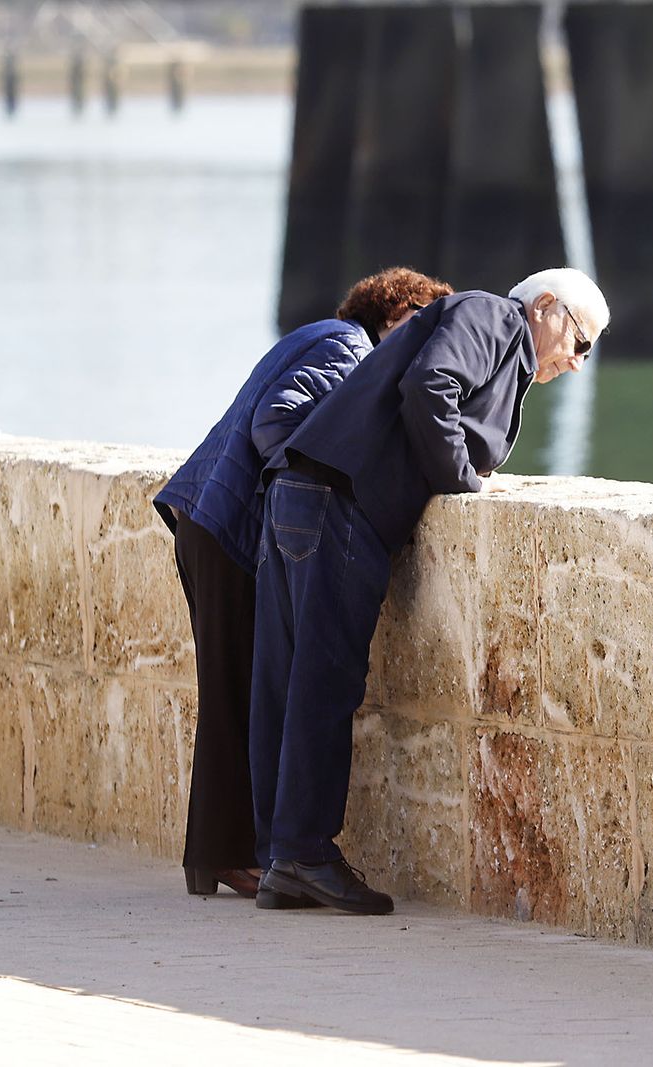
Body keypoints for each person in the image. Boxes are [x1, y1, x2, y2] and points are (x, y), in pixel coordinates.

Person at [248, 267, 609, 915]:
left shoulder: (493, 334)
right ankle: (302, 853)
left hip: (304, 490)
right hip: (342, 499)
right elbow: (430, 383)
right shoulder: (495, 318)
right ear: (546, 306)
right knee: (324, 682)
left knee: (289, 680)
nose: (577, 362)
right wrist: (464, 481)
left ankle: (280, 856)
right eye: (580, 342)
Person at [153, 267, 453, 899]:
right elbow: (276, 422)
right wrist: (316, 482)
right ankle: (223, 857)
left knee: (235, 690)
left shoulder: (331, 339)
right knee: (236, 694)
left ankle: (217, 859)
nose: (425, 344)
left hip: (211, 515)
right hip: (229, 522)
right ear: (395, 313)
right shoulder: (349, 348)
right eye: (420, 324)